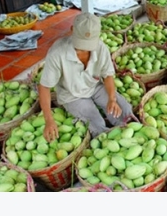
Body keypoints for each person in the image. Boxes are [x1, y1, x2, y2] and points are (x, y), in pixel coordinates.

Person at [38, 12, 134, 142]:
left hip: (94, 86)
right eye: (80, 44)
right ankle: (107, 144)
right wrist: (48, 120)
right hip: (72, 95)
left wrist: (112, 98)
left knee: (125, 110)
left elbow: (108, 75)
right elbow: (44, 87)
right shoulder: (57, 53)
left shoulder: (100, 47)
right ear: (72, 30)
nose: (83, 50)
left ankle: (127, 136)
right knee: (96, 123)